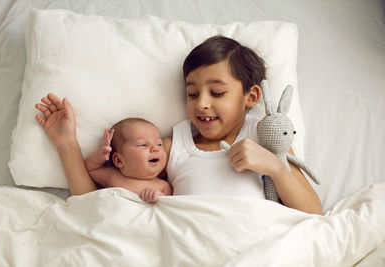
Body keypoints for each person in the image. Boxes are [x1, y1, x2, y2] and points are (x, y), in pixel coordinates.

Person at [35, 35, 322, 214]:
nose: (201, 104)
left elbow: (313, 212)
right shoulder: (172, 146)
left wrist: (272, 165)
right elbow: (94, 201)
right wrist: (67, 144)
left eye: (217, 92)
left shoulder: (267, 137)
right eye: (192, 93)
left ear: (251, 96)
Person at [84, 118, 172, 203]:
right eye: (143, 145)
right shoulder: (113, 176)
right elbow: (93, 169)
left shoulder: (163, 186)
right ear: (119, 160)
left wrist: (159, 197)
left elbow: (170, 208)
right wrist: (99, 155)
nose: (155, 148)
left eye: (159, 144)